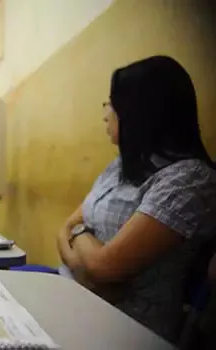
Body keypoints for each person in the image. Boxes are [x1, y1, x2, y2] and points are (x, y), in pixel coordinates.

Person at [56, 55, 216, 342]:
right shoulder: (123, 164)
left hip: (126, 329)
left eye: (112, 102)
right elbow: (64, 228)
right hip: (75, 297)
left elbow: (105, 266)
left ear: (141, 110)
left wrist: (82, 248)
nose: (105, 112)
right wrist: (84, 270)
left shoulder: (189, 180)